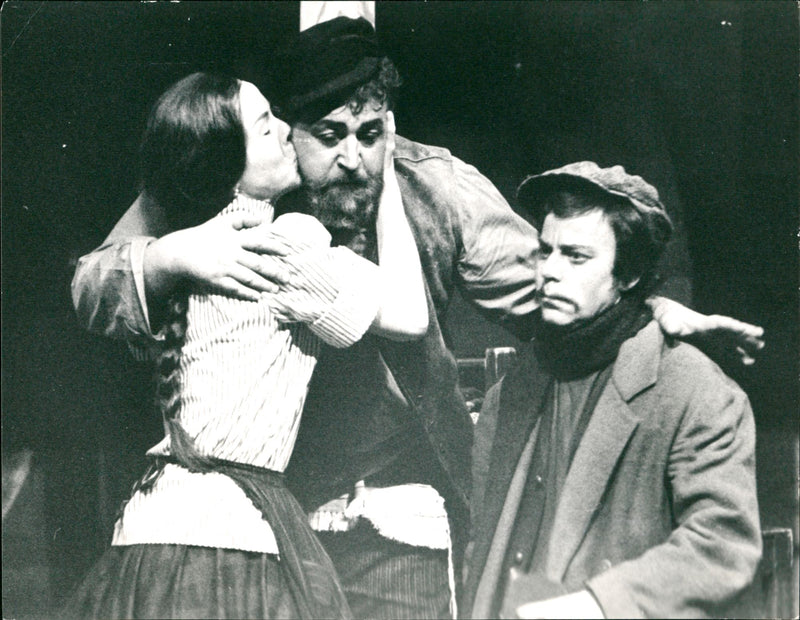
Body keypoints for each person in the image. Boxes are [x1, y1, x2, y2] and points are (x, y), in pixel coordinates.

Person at [70, 17, 764, 620]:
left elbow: (557, 291)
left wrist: (651, 312)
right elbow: (94, 281)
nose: (353, 158)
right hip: (257, 521)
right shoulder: (237, 170)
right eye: (329, 134)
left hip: (393, 517)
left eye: (371, 134)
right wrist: (170, 257)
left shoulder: (437, 186)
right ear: (281, 132)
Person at [66, 71, 428, 619]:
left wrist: (168, 254)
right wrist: (392, 171)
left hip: (151, 527)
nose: (285, 130)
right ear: (229, 171)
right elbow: (410, 314)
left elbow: (97, 283)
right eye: (265, 128)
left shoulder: (196, 235)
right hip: (229, 537)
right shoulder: (285, 246)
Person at [463, 162, 761, 619]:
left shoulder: (694, 390)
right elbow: (482, 547)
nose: (551, 272)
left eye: (577, 257)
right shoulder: (513, 390)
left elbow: (722, 543)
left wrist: (599, 605)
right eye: (546, 251)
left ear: (629, 275)